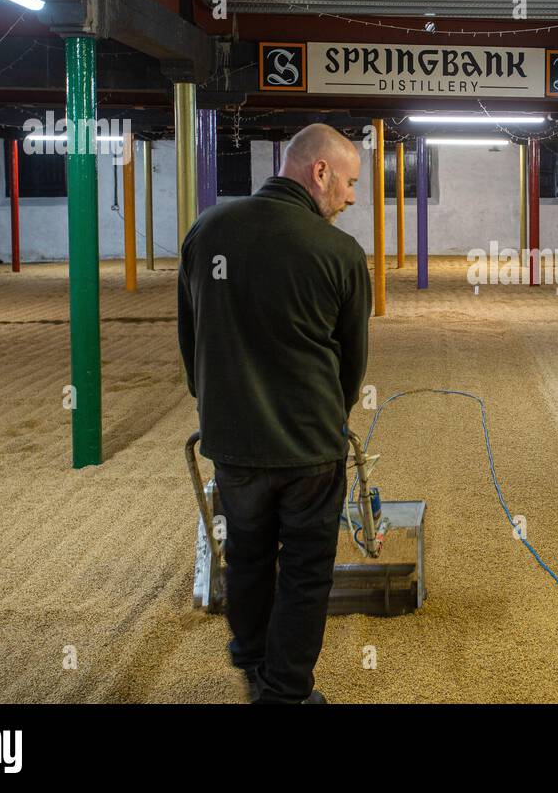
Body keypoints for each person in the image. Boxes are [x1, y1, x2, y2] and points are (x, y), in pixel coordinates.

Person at [178, 123, 371, 704]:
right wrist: (326, 418)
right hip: (308, 444)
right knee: (307, 569)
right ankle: (285, 691)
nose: (353, 197)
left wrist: (219, 406)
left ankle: (251, 654)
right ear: (319, 173)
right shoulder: (339, 252)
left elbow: (192, 340)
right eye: (349, 183)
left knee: (248, 549)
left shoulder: (207, 231)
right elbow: (351, 365)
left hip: (233, 439)